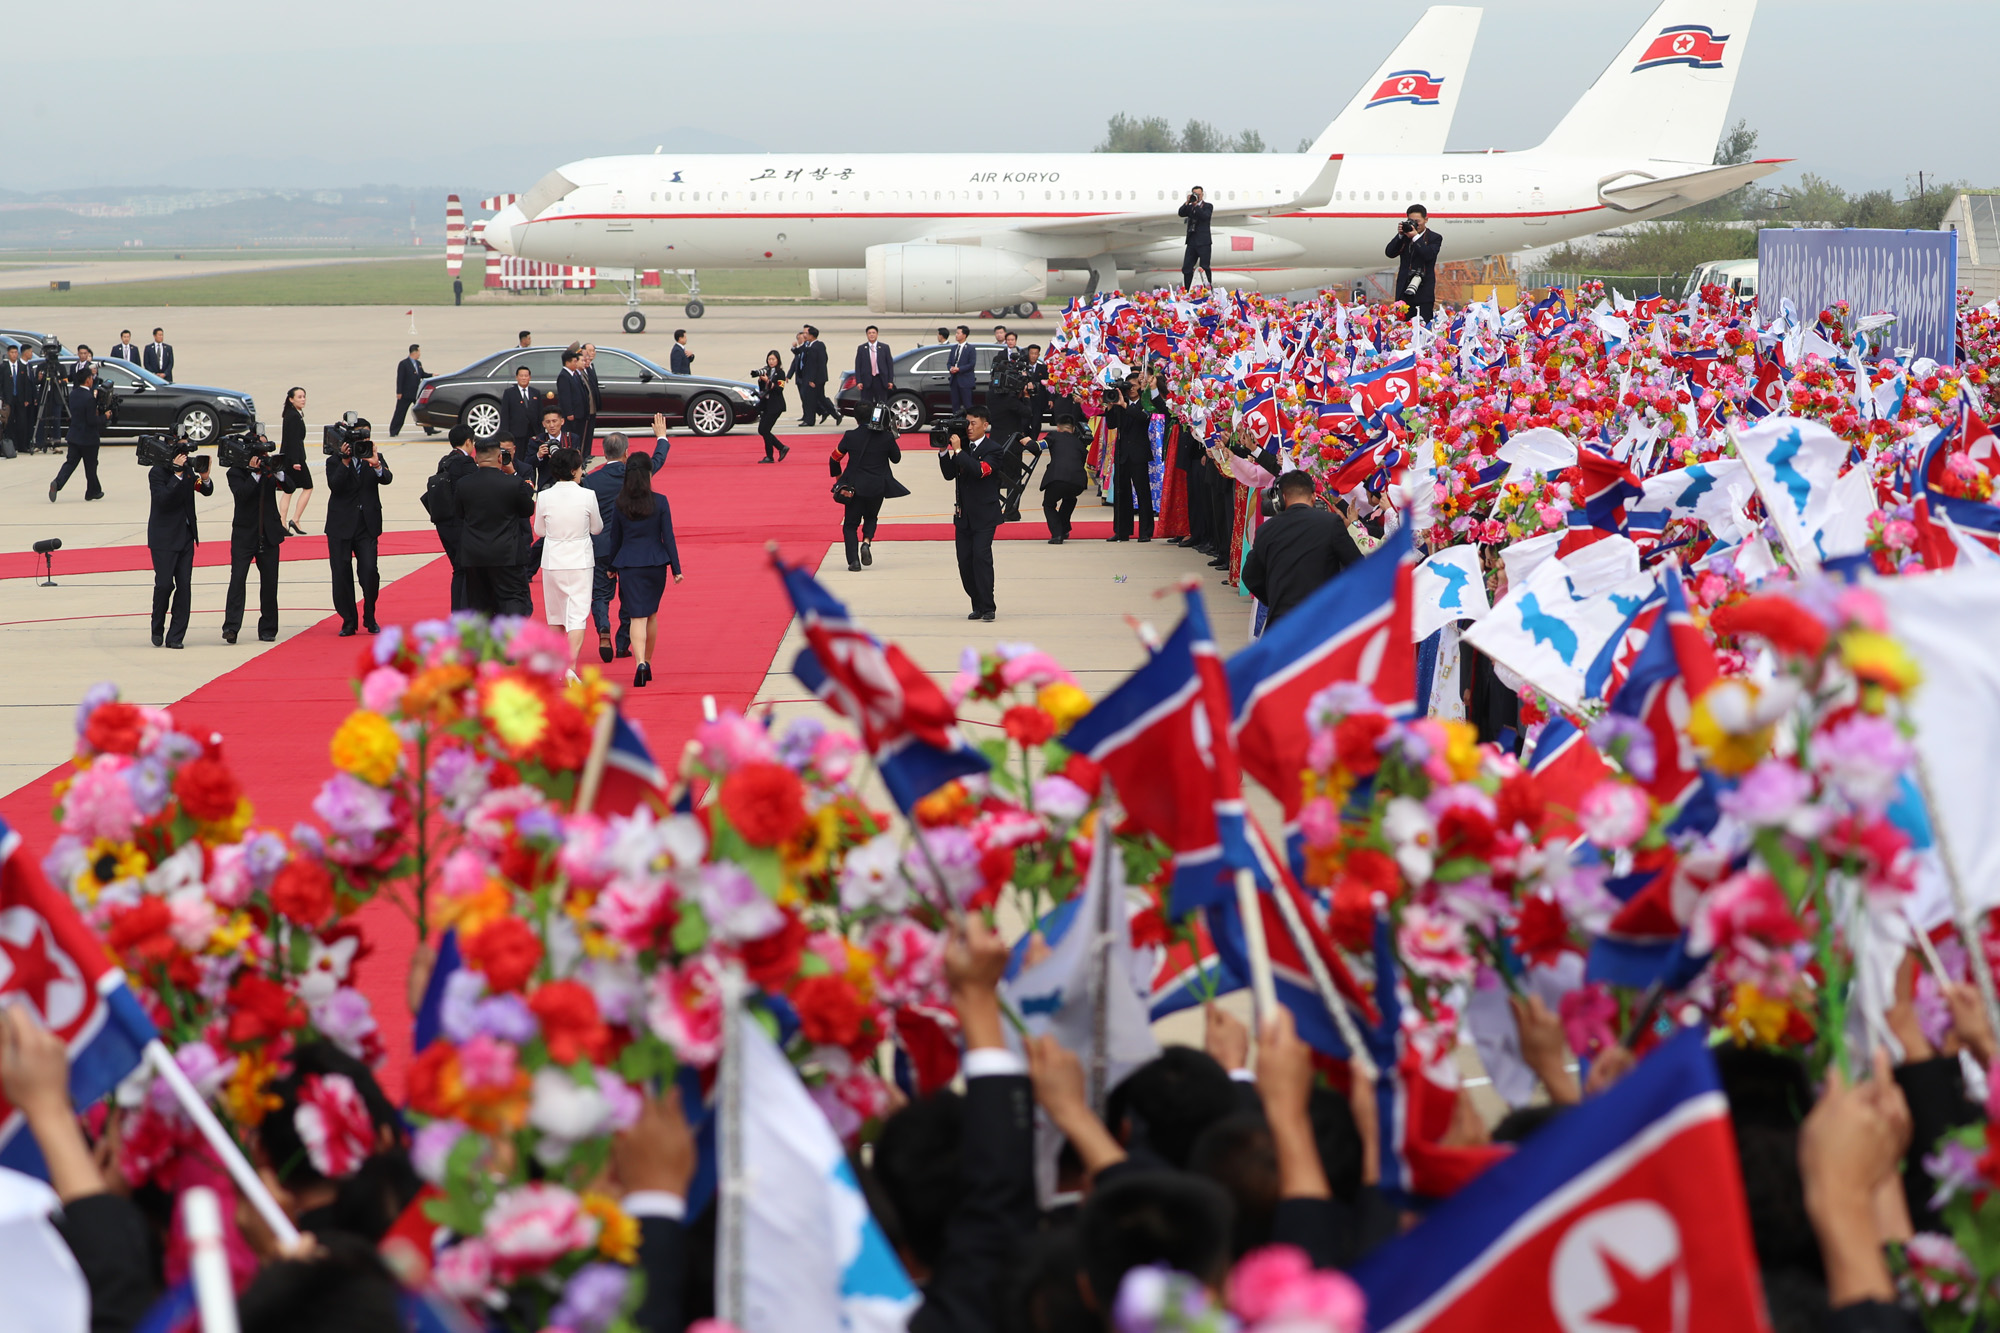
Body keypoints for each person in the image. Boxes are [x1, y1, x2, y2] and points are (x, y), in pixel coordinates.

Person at [583, 417, 671, 662]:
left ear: (604, 452)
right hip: (632, 547)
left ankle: (603, 627)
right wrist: (661, 437)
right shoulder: (636, 475)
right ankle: (623, 644)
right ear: (626, 452)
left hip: (601, 545)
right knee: (630, 597)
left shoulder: (591, 479)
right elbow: (657, 461)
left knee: (600, 594)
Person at [1241, 471, 1365, 628]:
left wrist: (1274, 597)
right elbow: (1358, 566)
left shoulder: (1266, 529)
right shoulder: (1330, 523)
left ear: (1282, 497)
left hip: (1281, 621)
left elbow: (1250, 576)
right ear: (1313, 496)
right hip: (1322, 620)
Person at [604, 452, 682, 688]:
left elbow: (614, 538)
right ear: (648, 474)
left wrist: (610, 565)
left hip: (628, 564)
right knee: (651, 614)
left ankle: (639, 663)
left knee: (635, 616)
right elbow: (667, 537)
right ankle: (647, 661)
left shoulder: (620, 502)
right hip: (655, 564)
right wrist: (676, 568)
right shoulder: (660, 501)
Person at [533, 446, 603, 680]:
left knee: (556, 616)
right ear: (574, 470)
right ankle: (570, 665)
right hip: (580, 560)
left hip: (553, 560)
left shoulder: (544, 496)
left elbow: (539, 531)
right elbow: (597, 528)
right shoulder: (587, 495)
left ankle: (557, 666)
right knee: (577, 614)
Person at [453, 436, 537, 617]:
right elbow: (527, 510)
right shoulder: (513, 483)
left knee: (478, 602)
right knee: (512, 598)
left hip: (474, 554)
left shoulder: (463, 484)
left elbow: (459, 513)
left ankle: (483, 642)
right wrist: (513, 474)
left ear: (476, 459)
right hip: (506, 553)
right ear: (500, 458)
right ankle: (510, 640)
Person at [223, 441, 297, 644]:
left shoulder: (270, 470)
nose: (264, 458)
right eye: (260, 454)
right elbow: (242, 495)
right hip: (244, 535)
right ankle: (231, 627)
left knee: (270, 583)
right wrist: (255, 475)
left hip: (269, 534)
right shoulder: (235, 472)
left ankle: (268, 628)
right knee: (237, 580)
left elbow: (290, 486)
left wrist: (278, 471)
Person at [938, 406, 1006, 621]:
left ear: (985, 426)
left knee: (981, 558)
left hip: (985, 515)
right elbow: (949, 475)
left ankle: (988, 607)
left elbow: (979, 471)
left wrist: (958, 451)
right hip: (963, 515)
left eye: (973, 423)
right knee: (964, 562)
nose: (969, 428)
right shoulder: (963, 447)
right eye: (966, 423)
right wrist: (943, 451)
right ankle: (976, 603)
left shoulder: (994, 449)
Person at [325, 425, 393, 637]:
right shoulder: (334, 460)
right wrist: (345, 461)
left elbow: (387, 478)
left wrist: (377, 465)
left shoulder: (374, 456)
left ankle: (370, 615)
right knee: (341, 574)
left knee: (370, 571)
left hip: (367, 525)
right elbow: (335, 486)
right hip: (341, 525)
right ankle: (348, 620)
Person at [146, 445, 213, 648]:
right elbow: (162, 500)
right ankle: (157, 627)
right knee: (164, 585)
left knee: (184, 586)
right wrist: (176, 475)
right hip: (164, 539)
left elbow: (205, 490)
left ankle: (176, 636)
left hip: (186, 536)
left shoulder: (189, 472)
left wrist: (205, 477)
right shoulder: (157, 472)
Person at [833, 401, 909, 571]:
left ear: (856, 418)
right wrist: (892, 434)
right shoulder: (886, 437)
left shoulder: (850, 436)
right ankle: (866, 542)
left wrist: (839, 479)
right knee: (871, 517)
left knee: (851, 524)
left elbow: (834, 458)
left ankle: (853, 562)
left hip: (855, 488)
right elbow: (896, 459)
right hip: (877, 487)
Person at [426, 426, 480, 612]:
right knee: (467, 570)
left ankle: (457, 612)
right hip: (459, 524)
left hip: (444, 523)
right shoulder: (465, 463)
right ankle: (465, 613)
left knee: (458, 570)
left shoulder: (445, 460)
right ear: (468, 441)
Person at [1106, 381, 1155, 543]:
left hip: (1138, 454)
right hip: (1122, 454)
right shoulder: (1120, 403)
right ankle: (1121, 531)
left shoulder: (1145, 403)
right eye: (1129, 386)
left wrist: (1125, 406)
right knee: (1121, 493)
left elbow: (1143, 419)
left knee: (1142, 493)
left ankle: (1145, 531)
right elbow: (1112, 425)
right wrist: (1111, 406)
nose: (1132, 389)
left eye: (1135, 385)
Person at [48, 364, 106, 503]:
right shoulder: (89, 398)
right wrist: (105, 417)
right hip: (88, 439)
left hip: (74, 436)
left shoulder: (74, 394)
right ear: (87, 380)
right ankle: (91, 492)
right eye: (91, 378)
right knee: (91, 466)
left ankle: (58, 482)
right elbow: (92, 420)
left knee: (70, 463)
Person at [1385, 203, 1442, 322]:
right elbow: (1389, 253)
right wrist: (1400, 235)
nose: (1415, 224)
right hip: (1403, 292)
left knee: (1422, 329)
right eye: (1410, 221)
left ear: (1426, 220)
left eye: (1417, 221)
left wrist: (1416, 237)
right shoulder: (1405, 237)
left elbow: (1428, 255)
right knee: (1401, 329)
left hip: (1423, 293)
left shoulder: (1434, 238)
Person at [1039, 412, 1089, 543]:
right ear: (1073, 429)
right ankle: (1064, 529)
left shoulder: (1054, 436)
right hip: (1078, 482)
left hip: (1057, 478)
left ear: (1058, 428)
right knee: (1070, 499)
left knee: (1049, 504)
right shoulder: (1080, 443)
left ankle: (1057, 534)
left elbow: (1039, 446)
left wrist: (1026, 442)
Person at [279, 386, 314, 534]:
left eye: (304, 396)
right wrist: (295, 462)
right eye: (299, 397)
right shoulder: (293, 416)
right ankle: (292, 520)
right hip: (294, 459)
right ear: (291, 399)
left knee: (289, 490)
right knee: (307, 487)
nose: (303, 399)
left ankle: (284, 522)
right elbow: (292, 440)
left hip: (292, 457)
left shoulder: (292, 414)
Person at [988, 333, 1027, 443]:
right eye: (1008, 340)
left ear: (1016, 340)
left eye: (1012, 339)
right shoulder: (1000, 355)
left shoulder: (1022, 354)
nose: (1010, 342)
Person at [753, 349, 790, 463]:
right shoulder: (766, 370)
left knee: (764, 430)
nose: (771, 361)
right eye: (769, 359)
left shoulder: (781, 373)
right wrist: (761, 380)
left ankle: (771, 455)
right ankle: (781, 448)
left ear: (778, 360)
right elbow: (762, 388)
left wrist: (768, 381)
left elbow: (779, 389)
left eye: (773, 359)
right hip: (766, 405)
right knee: (763, 430)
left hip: (776, 406)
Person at [527, 407, 571, 492]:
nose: (551, 425)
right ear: (543, 424)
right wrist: (538, 455)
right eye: (548, 422)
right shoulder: (537, 441)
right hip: (545, 485)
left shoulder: (571, 439)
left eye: (554, 421)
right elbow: (528, 464)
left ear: (562, 421)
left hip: (568, 483)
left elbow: (578, 462)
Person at [1179, 185, 1214, 288]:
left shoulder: (1208, 206)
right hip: (1192, 241)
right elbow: (1181, 213)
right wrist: (1187, 202)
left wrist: (1196, 205)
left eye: (1199, 194)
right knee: (1187, 268)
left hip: (1204, 241)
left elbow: (1205, 216)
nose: (1197, 196)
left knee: (1205, 267)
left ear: (1202, 195)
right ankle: (1188, 289)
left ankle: (1207, 289)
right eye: (1195, 194)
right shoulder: (1189, 207)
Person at [557, 348, 591, 445]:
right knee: (572, 438)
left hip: (580, 413)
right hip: (572, 415)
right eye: (575, 361)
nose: (576, 364)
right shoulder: (564, 376)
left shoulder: (574, 374)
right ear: (567, 362)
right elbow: (565, 396)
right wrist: (569, 413)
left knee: (579, 437)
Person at [502, 363, 541, 446]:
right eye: (521, 376)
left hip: (533, 432)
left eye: (526, 376)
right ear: (517, 377)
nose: (523, 378)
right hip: (516, 433)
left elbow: (540, 413)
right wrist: (505, 434)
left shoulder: (535, 393)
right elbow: (505, 414)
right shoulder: (509, 393)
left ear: (529, 377)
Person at [391, 343, 425, 437]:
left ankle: (429, 429)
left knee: (422, 410)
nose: (419, 354)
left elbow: (422, 375)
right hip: (405, 394)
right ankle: (393, 430)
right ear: (415, 352)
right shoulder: (404, 364)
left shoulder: (418, 364)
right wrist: (399, 392)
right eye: (419, 351)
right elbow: (400, 378)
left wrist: (432, 375)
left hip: (416, 393)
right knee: (400, 412)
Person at [0, 343, 27, 459]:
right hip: (8, 399)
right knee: (9, 423)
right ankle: (10, 446)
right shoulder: (3, 367)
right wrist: (2, 398)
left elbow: (26, 384)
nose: (14, 355)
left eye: (16, 352)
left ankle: (21, 445)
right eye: (12, 352)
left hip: (20, 399)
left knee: (21, 422)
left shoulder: (22, 367)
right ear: (8, 354)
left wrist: (26, 398)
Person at [855, 325, 893, 405]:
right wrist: (859, 381)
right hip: (867, 381)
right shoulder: (861, 348)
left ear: (877, 334)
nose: (871, 335)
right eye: (869, 333)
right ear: (867, 335)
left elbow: (889, 365)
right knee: (866, 404)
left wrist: (890, 380)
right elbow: (858, 366)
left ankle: (880, 418)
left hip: (880, 380)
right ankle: (868, 417)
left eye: (873, 333)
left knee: (881, 404)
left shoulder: (884, 347)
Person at [946, 324, 977, 416]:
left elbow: (971, 364)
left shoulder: (971, 349)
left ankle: (969, 423)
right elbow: (949, 363)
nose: (956, 335)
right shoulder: (954, 348)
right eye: (956, 333)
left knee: (967, 404)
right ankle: (956, 423)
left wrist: (959, 369)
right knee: (955, 405)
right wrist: (951, 368)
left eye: (958, 333)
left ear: (964, 335)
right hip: (954, 380)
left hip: (965, 381)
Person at [580, 342, 603, 453]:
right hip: (585, 407)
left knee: (590, 431)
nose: (592, 353)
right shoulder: (582, 369)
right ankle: (584, 454)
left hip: (592, 406)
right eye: (589, 350)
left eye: (593, 351)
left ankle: (587, 453)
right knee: (584, 432)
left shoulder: (591, 367)